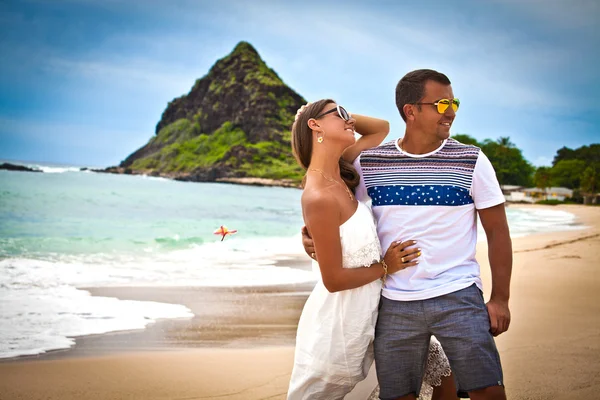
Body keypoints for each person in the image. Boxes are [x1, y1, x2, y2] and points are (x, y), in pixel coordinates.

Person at [302, 70, 512, 400]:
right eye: (442, 103)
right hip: (394, 302)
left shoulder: (472, 160)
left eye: (453, 102)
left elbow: (498, 232)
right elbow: (340, 212)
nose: (452, 111)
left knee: (487, 389)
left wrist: (500, 298)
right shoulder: (369, 162)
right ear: (410, 111)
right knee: (398, 394)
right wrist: (310, 236)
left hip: (458, 293)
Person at [287, 99, 457, 400]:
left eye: (346, 113)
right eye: (337, 114)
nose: (348, 120)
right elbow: (333, 280)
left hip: (377, 311)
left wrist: (342, 118)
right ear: (315, 126)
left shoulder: (341, 172)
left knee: (441, 372)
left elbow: (380, 128)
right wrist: (387, 266)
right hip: (342, 325)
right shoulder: (318, 195)